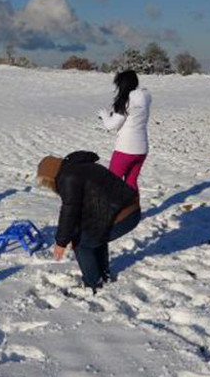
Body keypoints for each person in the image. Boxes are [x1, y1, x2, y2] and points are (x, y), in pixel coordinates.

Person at [37, 151, 141, 293]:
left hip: (124, 215)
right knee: (95, 236)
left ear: (50, 175)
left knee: (82, 243)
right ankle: (104, 276)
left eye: (46, 182)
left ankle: (93, 284)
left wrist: (61, 242)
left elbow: (70, 210)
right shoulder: (82, 168)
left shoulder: (68, 177)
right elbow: (85, 206)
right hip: (130, 209)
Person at [97, 69, 151, 194]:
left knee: (111, 182)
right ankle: (133, 212)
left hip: (126, 149)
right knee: (131, 182)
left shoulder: (125, 101)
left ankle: (109, 213)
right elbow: (132, 115)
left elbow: (111, 125)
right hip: (142, 149)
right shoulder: (145, 97)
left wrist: (104, 115)